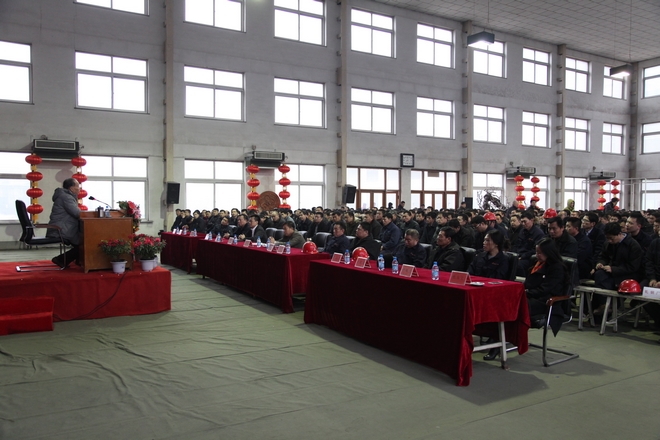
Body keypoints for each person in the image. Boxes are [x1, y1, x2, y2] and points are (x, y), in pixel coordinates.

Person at [592, 222, 643, 314]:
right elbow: (603, 256)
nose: (609, 241)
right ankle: (604, 304)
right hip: (612, 272)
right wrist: (600, 263)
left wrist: (613, 269)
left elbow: (633, 266)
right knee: (599, 275)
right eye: (607, 238)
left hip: (628, 274)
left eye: (611, 238)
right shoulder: (608, 244)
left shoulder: (633, 245)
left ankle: (608, 306)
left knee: (606, 283)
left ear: (619, 234)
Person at [47, 178, 81, 268]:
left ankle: (78, 261)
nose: (80, 188)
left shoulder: (64, 195)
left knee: (82, 242)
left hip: (62, 227)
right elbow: (77, 213)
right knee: (84, 244)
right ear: (72, 188)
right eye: (78, 186)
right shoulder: (67, 197)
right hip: (61, 229)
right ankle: (61, 259)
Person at [512, 211, 545, 276]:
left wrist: (522, 256)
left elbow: (535, 250)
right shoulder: (522, 231)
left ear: (532, 220)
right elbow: (517, 244)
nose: (523, 224)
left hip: (529, 258)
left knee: (517, 265)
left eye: (525, 221)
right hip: (519, 255)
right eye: (522, 222)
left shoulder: (538, 233)